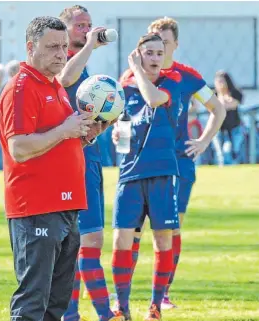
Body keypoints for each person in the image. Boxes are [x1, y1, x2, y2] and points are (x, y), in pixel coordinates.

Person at [114, 17, 226, 314]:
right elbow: (123, 118)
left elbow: (217, 108)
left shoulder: (182, 78)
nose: (159, 49)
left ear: (174, 45)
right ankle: (123, 303)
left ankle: (160, 297)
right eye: (153, 44)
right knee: (129, 234)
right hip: (136, 166)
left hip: (174, 164)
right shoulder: (128, 78)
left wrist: (202, 141)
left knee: (169, 232)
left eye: (164, 43)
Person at [0, 16, 100, 321]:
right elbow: (19, 148)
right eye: (53, 47)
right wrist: (65, 131)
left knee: (57, 304)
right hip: (36, 208)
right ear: (31, 47)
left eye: (64, 47)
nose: (61, 54)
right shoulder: (22, 87)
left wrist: (87, 134)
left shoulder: (54, 86)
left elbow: (58, 141)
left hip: (67, 206)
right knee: (33, 301)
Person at [58, 5, 123, 321]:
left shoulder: (85, 67)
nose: (86, 30)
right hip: (71, 163)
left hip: (91, 159)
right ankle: (91, 314)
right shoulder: (61, 60)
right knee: (80, 242)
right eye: (80, 25)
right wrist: (88, 46)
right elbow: (64, 77)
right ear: (64, 28)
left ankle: (86, 314)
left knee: (90, 241)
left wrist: (103, 124)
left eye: (89, 25)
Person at [112, 33, 182, 321]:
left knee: (163, 239)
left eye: (159, 53)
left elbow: (153, 100)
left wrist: (135, 69)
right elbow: (121, 129)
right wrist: (118, 132)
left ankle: (155, 307)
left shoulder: (172, 83)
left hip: (162, 173)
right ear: (139, 54)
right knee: (120, 240)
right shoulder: (124, 89)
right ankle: (123, 308)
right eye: (149, 53)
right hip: (129, 175)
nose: (155, 58)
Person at [214, 70, 244, 164]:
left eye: (222, 81)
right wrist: (220, 95)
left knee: (232, 151)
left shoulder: (235, 93)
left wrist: (223, 96)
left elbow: (232, 105)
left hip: (234, 128)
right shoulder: (214, 95)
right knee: (220, 153)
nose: (220, 84)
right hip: (218, 129)